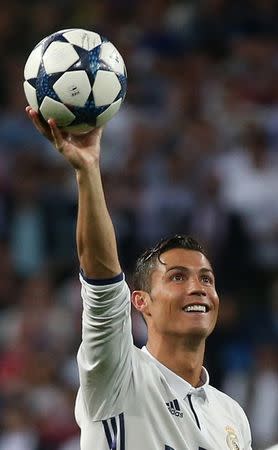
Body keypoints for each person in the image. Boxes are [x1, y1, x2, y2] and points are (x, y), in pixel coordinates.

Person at [26, 106, 252, 450]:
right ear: (140, 301)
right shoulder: (118, 374)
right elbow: (102, 284)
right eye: (177, 277)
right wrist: (88, 171)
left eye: (207, 279)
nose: (198, 288)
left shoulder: (231, 415)